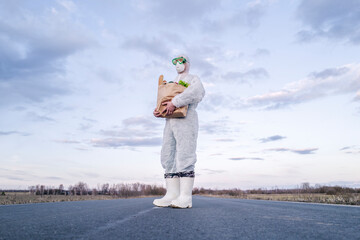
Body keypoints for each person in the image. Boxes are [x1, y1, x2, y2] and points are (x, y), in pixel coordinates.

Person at [153, 55, 205, 208]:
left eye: (181, 61)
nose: (177, 64)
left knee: (185, 153)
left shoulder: (193, 78)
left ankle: (185, 197)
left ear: (187, 63)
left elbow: (197, 93)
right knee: (168, 154)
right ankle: (172, 194)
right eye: (175, 62)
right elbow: (165, 99)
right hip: (170, 121)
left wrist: (175, 102)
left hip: (186, 119)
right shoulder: (172, 82)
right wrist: (160, 110)